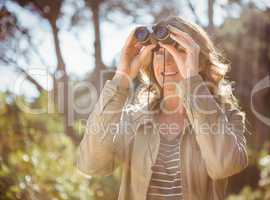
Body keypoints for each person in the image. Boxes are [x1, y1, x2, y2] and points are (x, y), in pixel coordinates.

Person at [76, 16, 248, 200]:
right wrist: (121, 78)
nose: (167, 61)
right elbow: (91, 165)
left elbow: (224, 166)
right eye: (159, 51)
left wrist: (192, 80)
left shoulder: (227, 117)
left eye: (178, 49)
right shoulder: (134, 120)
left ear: (201, 60)